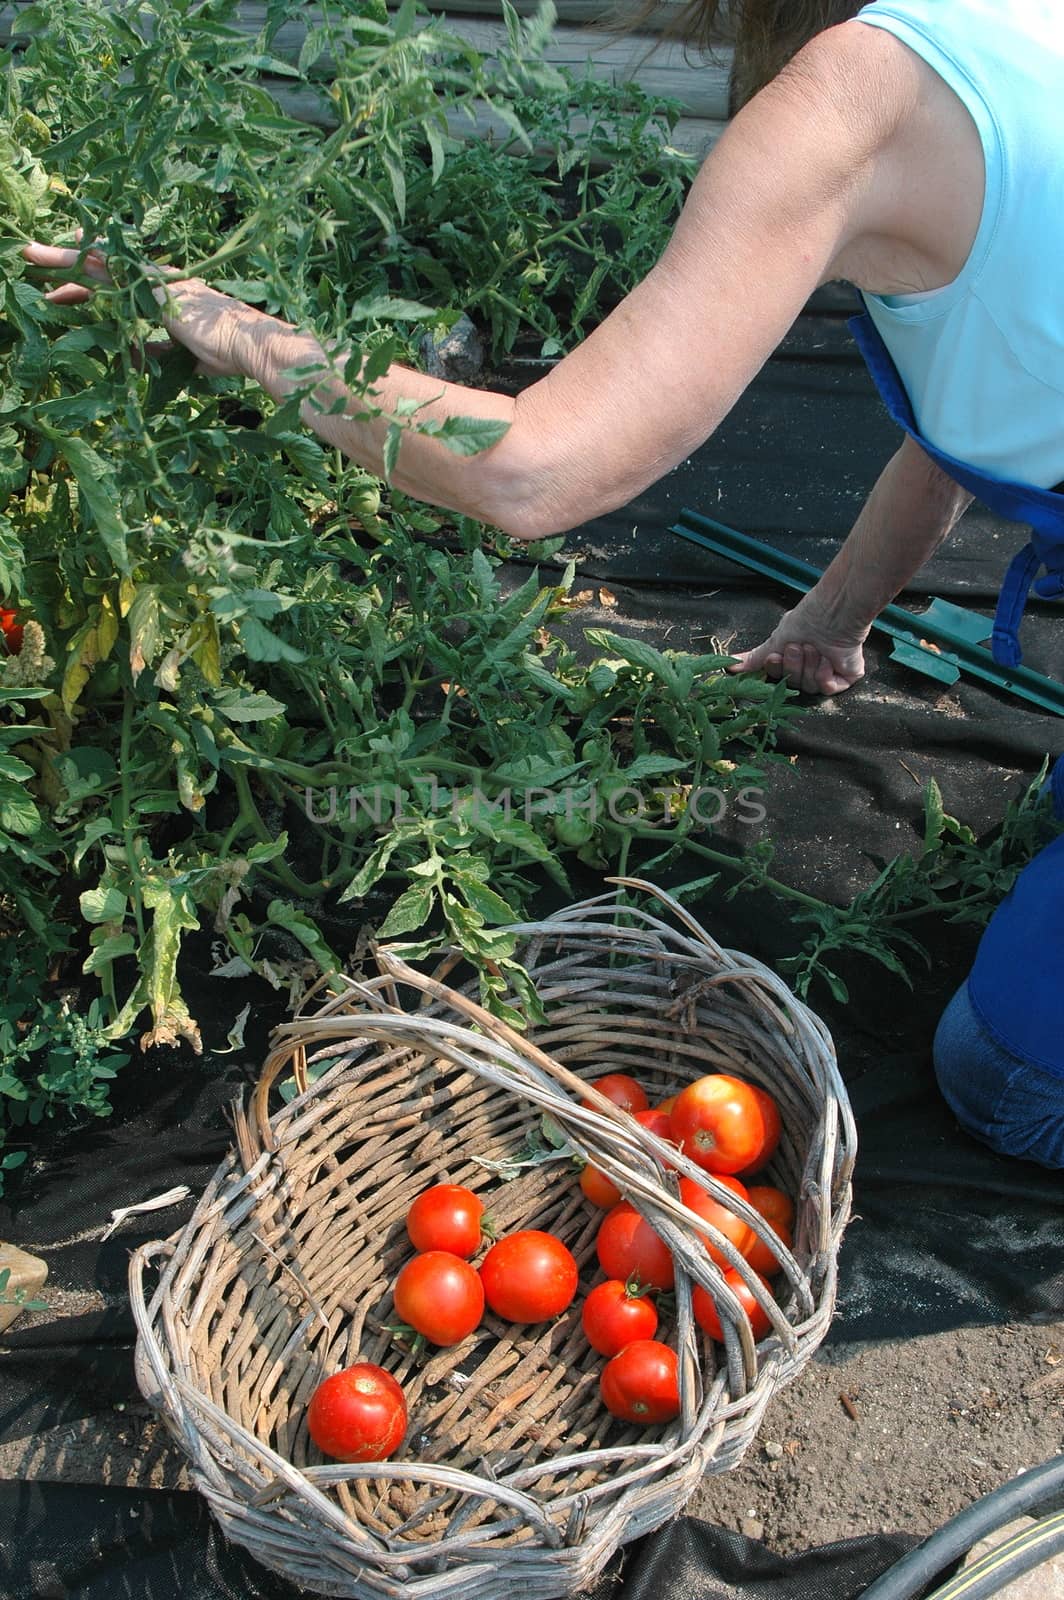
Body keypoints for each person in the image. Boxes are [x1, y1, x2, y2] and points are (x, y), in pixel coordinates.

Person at [23, 0, 1064, 1165]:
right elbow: (992, 363)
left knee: (1001, 1079)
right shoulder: (1005, 36)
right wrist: (833, 618)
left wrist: (227, 327)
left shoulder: (855, 97)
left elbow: (529, 471)